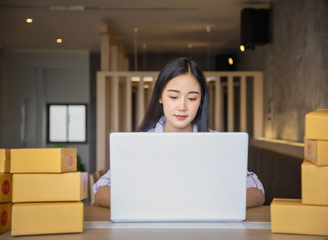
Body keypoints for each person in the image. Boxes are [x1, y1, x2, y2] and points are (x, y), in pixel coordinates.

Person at [93, 57, 265, 208]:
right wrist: (151, 202)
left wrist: (209, 202)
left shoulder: (216, 143)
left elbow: (257, 191)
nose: (182, 106)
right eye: (174, 97)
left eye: (192, 98)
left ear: (201, 101)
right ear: (160, 97)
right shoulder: (140, 143)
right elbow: (101, 191)